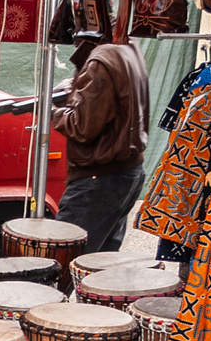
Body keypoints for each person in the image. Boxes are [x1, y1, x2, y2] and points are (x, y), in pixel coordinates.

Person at [47, 31, 151, 253]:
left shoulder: (100, 59)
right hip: (125, 171)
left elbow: (82, 127)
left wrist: (54, 112)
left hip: (100, 179)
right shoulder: (127, 44)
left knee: (61, 261)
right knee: (99, 267)